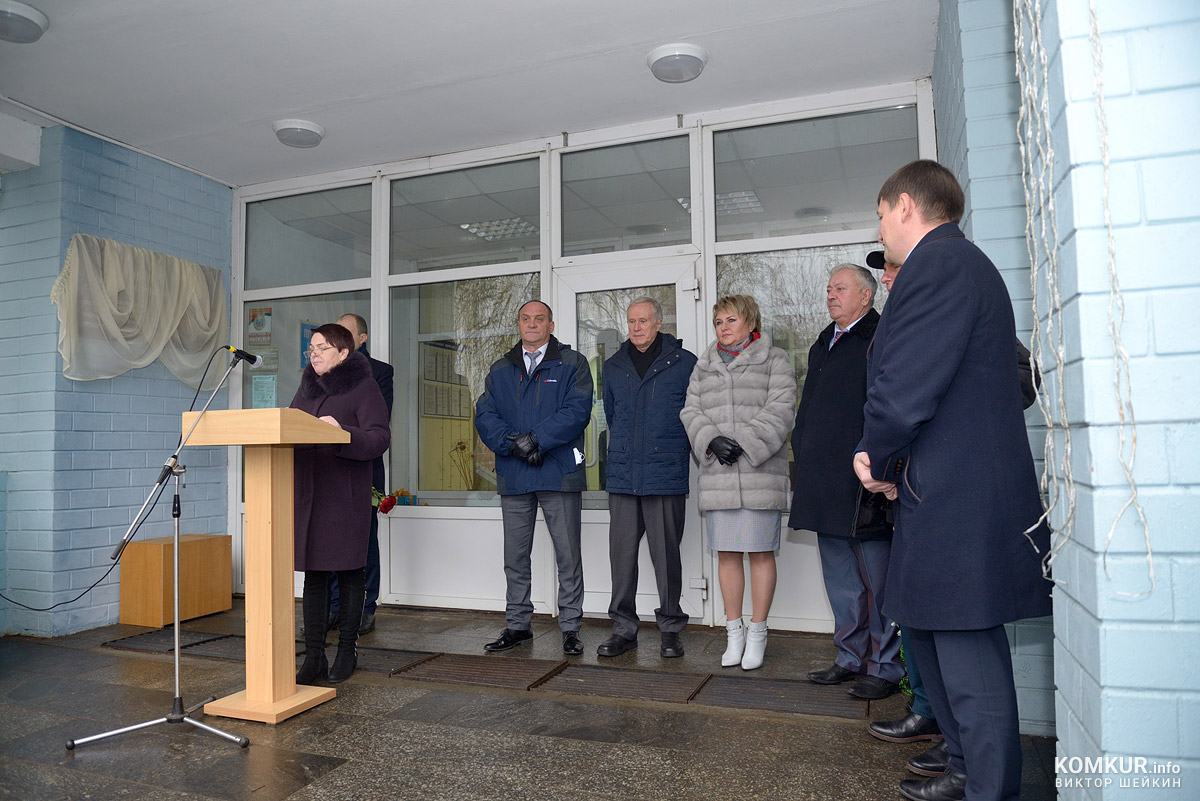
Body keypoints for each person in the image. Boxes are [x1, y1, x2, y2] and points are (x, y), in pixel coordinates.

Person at [855, 160, 1052, 801]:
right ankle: (966, 765)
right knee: (937, 634)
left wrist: (874, 461)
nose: (881, 228)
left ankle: (988, 786)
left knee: (969, 653)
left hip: (959, 497)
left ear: (906, 205)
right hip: (943, 492)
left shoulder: (939, 267)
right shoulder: (960, 267)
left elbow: (904, 390)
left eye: (882, 215)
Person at [790, 265, 902, 700]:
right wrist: (801, 442)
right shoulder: (825, 339)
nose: (830, 295)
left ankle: (885, 666)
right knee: (840, 579)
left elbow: (885, 406)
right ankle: (850, 657)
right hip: (823, 480)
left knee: (879, 581)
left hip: (864, 484)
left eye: (840, 289)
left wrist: (878, 462)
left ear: (866, 296)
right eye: (829, 289)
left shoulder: (879, 336)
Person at [680, 294, 796, 671]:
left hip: (760, 474)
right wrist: (710, 441)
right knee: (727, 554)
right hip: (719, 476)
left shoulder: (774, 359)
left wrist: (744, 442)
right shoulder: (704, 365)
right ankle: (734, 633)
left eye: (731, 320)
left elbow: (781, 409)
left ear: (750, 322)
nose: (723, 328)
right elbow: (690, 410)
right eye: (718, 322)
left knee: (761, 554)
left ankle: (758, 632)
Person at [474, 300, 593, 656]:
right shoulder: (499, 369)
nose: (532, 324)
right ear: (518, 324)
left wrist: (536, 439)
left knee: (568, 555)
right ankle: (517, 625)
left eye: (539, 319)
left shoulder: (573, 364)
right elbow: (485, 414)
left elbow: (577, 412)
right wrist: (514, 444)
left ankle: (570, 628)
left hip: (558, 473)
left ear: (550, 325)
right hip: (515, 473)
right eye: (525, 318)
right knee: (515, 556)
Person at [291, 323, 391, 685]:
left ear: (344, 353)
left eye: (322, 348)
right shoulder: (306, 388)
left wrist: (342, 434)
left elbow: (380, 438)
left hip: (345, 495)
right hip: (310, 495)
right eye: (312, 348)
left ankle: (347, 651)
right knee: (314, 576)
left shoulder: (363, 387)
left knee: (349, 573)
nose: (314, 353)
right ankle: (314, 656)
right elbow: (289, 428)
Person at [598, 297, 697, 659]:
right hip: (624, 477)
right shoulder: (612, 366)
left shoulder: (684, 364)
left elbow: (693, 416)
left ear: (658, 323)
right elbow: (612, 415)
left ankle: (670, 630)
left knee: (666, 556)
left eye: (643, 320)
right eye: (631, 321)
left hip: (664, 475)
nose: (637, 327)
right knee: (621, 558)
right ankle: (623, 630)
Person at [323, 313, 393, 636]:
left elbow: (376, 423)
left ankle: (366, 606)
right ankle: (336, 607)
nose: (340, 336)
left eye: (347, 332)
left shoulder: (379, 373)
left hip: (363, 470)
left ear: (362, 338)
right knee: (333, 538)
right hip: (330, 469)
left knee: (364, 539)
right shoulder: (323, 372)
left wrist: (338, 428)